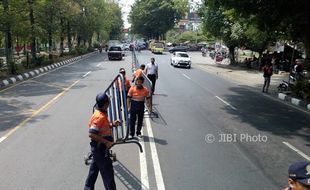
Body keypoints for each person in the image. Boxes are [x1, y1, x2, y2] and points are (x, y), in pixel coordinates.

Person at [84, 93, 120, 190]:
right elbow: (91, 134)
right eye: (108, 101)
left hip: (98, 149)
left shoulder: (101, 113)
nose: (109, 103)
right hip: (101, 149)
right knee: (108, 175)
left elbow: (101, 128)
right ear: (106, 103)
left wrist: (112, 124)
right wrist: (107, 142)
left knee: (93, 172)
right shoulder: (99, 116)